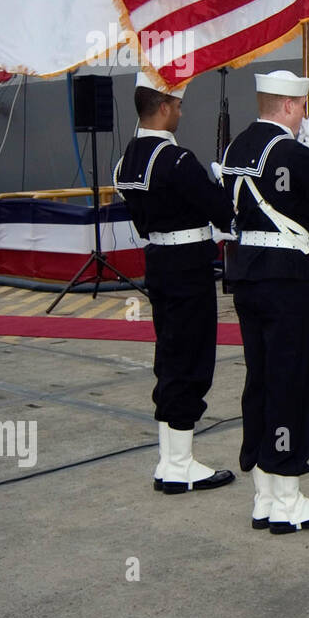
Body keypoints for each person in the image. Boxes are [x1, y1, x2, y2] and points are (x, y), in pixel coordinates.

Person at [220, 69, 309, 534]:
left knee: (261, 380)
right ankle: (289, 497)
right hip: (287, 278)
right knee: (291, 383)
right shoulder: (292, 151)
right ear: (292, 107)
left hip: (247, 273)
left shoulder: (235, 149)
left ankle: (264, 495)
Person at [115, 71, 235, 495]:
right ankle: (180, 464)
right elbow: (223, 212)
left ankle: (169, 460)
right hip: (188, 266)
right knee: (191, 359)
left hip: (159, 262)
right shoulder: (177, 160)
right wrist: (223, 183)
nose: (181, 113)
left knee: (169, 356)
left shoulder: (129, 157)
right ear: (164, 107)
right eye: (179, 105)